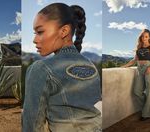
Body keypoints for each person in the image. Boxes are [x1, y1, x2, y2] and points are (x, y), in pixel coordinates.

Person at [22, 3, 101, 132]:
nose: (34, 40)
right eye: (35, 33)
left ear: (64, 31)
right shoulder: (91, 66)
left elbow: (32, 123)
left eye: (40, 32)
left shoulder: (41, 68)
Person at [121, 29, 150, 121]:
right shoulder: (139, 48)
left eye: (146, 36)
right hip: (140, 70)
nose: (144, 38)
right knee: (137, 91)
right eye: (142, 36)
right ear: (140, 37)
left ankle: (146, 114)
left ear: (149, 37)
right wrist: (123, 66)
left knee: (149, 92)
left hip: (149, 69)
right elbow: (134, 60)